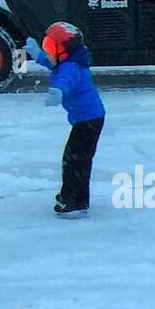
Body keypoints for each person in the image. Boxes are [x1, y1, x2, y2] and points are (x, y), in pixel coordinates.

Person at [24, 21, 106, 218]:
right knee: (73, 159)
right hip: (85, 119)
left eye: (50, 47)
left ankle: (76, 203)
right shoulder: (67, 60)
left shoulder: (71, 68)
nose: (48, 51)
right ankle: (70, 195)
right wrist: (36, 53)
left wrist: (58, 93)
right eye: (46, 45)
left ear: (64, 50)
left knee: (76, 160)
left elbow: (65, 81)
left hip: (89, 120)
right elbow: (51, 62)